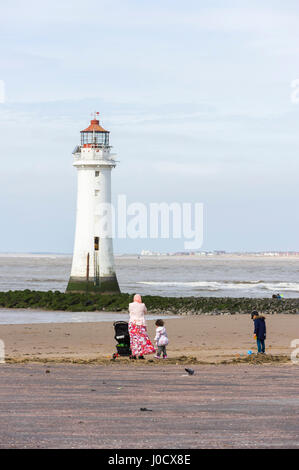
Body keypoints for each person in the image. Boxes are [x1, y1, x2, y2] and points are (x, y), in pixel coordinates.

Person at [128, 294, 155, 359]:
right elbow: (145, 311)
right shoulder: (142, 305)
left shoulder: (130, 305)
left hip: (132, 324)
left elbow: (130, 311)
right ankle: (140, 355)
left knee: (133, 340)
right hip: (141, 324)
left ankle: (134, 354)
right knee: (141, 340)